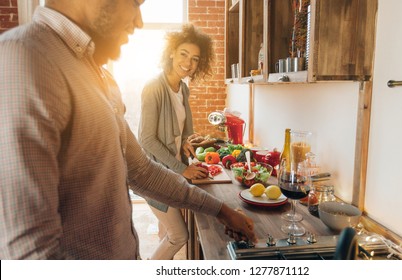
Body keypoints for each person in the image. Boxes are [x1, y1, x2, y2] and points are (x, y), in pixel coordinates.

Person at [0, 0, 256, 260]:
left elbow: (141, 170)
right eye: (135, 2)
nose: (139, 21)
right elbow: (29, 254)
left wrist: (222, 210)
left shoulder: (101, 77)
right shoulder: (25, 56)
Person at [137, 24, 215, 260]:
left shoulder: (183, 89)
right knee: (179, 236)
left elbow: (179, 130)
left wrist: (184, 143)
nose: (188, 63)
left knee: (167, 230)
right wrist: (184, 168)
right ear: (171, 52)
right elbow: (146, 139)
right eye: (183, 54)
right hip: (155, 173)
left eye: (195, 58)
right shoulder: (153, 88)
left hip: (172, 171)